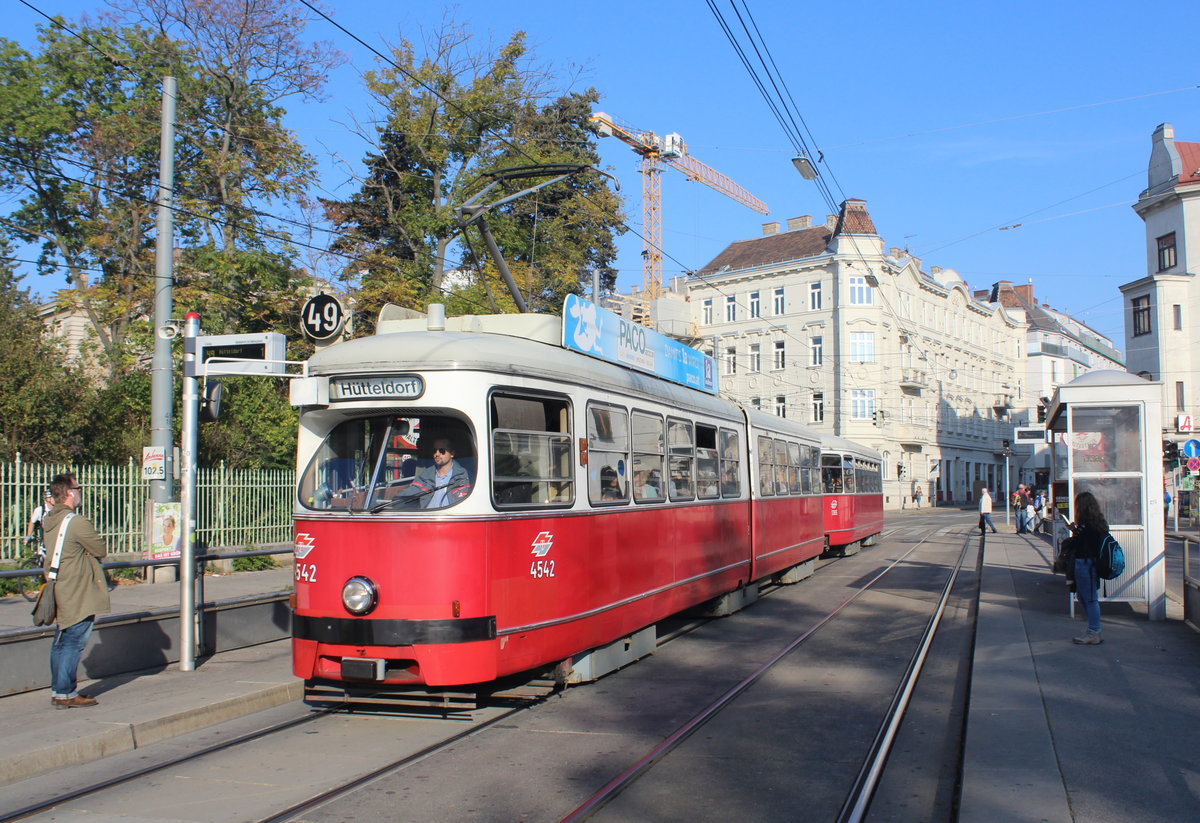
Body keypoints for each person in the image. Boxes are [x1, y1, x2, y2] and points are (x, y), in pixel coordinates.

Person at [43, 472, 110, 708]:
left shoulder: (50, 519)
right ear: (70, 493)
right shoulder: (76, 521)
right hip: (78, 589)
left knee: (61, 641)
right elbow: (99, 548)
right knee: (73, 641)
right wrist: (87, 551)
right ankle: (66, 693)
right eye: (78, 487)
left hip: (61, 585)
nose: (80, 491)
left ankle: (59, 690)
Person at [1059, 490, 1108, 645]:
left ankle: (1094, 631)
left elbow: (1082, 543)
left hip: (1086, 563)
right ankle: (1093, 630)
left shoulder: (1088, 525)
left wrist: (1075, 533)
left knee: (1089, 598)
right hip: (1088, 563)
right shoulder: (1097, 523)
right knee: (1083, 596)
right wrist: (1075, 530)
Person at [398, 437, 472, 509]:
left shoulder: (465, 477)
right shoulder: (425, 477)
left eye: (442, 451)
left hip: (451, 519)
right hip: (427, 519)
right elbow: (403, 499)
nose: (437, 454)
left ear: (452, 454)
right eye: (434, 450)